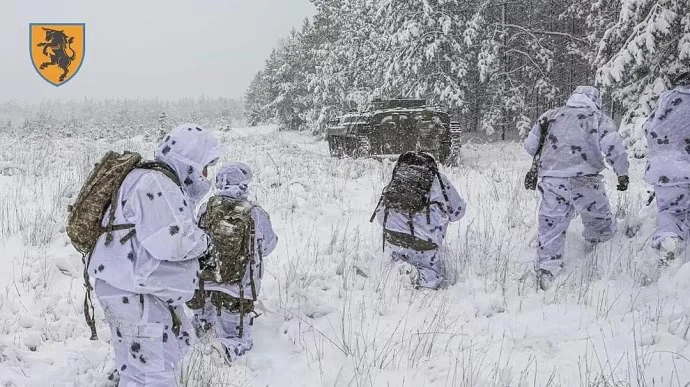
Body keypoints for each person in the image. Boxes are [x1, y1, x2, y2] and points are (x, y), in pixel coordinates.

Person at [88, 124, 220, 386]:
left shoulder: (143, 177)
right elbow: (171, 242)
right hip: (136, 296)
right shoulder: (158, 182)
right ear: (189, 159)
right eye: (204, 167)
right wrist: (205, 244)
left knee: (136, 371)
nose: (206, 175)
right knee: (155, 375)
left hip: (124, 289)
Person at [523, 86, 629, 290]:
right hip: (586, 181)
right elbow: (614, 146)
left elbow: (530, 146)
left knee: (550, 227)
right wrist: (622, 173)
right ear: (595, 100)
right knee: (600, 223)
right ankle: (596, 260)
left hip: (553, 180)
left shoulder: (550, 116)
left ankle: (546, 270)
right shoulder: (598, 117)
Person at [188, 162, 278, 362]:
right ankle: (224, 355)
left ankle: (194, 344)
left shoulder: (206, 208)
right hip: (238, 287)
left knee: (201, 322)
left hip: (205, 282)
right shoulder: (255, 212)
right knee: (236, 336)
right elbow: (269, 245)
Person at [372, 151, 466, 289]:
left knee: (395, 265)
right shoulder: (438, 180)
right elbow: (458, 212)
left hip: (393, 237)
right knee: (431, 278)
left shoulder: (399, 177)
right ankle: (421, 281)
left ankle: (396, 276)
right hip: (424, 243)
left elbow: (380, 215)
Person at [643, 71, 690, 261]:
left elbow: (648, 127)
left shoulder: (666, 99)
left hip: (666, 168)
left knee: (671, 212)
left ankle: (668, 243)